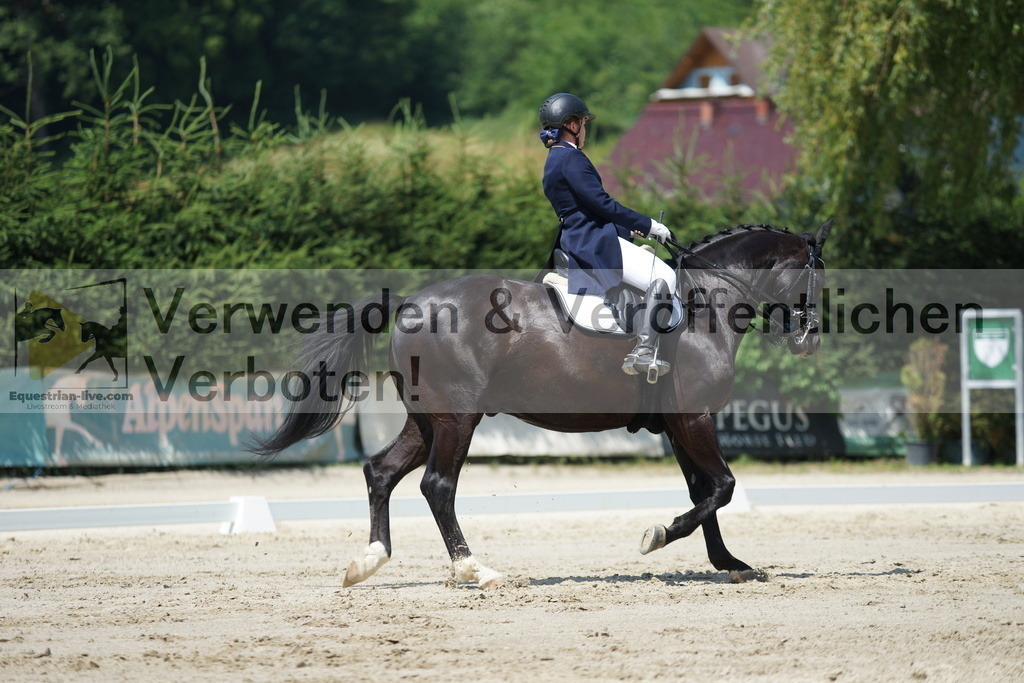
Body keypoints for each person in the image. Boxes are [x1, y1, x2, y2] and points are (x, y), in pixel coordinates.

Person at [538, 92, 677, 378]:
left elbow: (584, 210)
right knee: (665, 277)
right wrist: (650, 225)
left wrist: (631, 231)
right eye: (583, 124)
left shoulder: (553, 159)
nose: (585, 130)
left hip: (578, 236)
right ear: (573, 125)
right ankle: (644, 351)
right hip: (593, 243)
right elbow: (602, 203)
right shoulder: (571, 158)